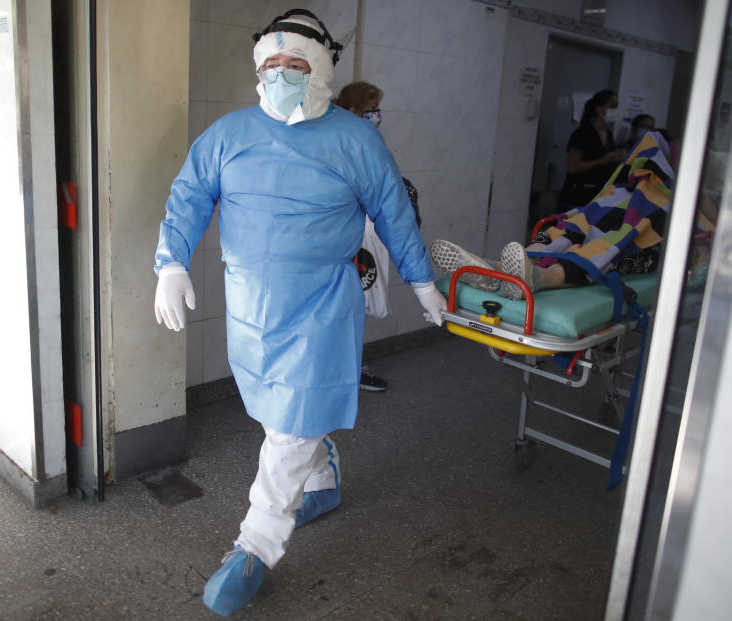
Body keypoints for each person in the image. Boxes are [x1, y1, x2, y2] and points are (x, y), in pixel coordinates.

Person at [151, 10, 446, 617]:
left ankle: (255, 544)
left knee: (292, 419)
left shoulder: (354, 139)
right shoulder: (228, 134)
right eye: (271, 65)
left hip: (320, 305)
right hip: (251, 306)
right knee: (273, 409)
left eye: (296, 64)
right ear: (257, 71)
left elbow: (393, 212)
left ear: (322, 70)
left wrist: (422, 282)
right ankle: (322, 478)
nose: (282, 74)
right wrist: (170, 264)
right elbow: (188, 195)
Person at [432, 130, 676, 300]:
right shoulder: (621, 189)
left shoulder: (673, 199)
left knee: (604, 252)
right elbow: (594, 209)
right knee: (564, 231)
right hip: (599, 228)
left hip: (633, 243)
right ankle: (495, 267)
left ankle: (539, 277)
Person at [334, 81, 421, 393]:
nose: (377, 116)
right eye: (372, 110)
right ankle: (343, 372)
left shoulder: (357, 137)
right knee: (344, 307)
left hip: (351, 232)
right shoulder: (344, 139)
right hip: (343, 234)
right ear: (355, 111)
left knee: (351, 306)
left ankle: (347, 370)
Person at [557, 89, 626, 209]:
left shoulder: (608, 134)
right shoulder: (582, 134)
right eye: (612, 106)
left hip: (598, 195)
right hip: (577, 196)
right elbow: (572, 168)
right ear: (599, 108)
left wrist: (618, 158)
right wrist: (603, 160)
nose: (616, 110)